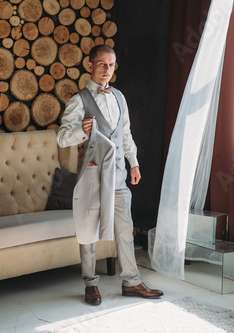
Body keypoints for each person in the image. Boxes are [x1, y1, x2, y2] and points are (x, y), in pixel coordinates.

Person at [57, 45, 164, 306]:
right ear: (90, 66)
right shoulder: (78, 100)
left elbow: (125, 134)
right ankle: (91, 284)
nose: (107, 69)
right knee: (88, 230)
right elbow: (61, 139)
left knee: (126, 229)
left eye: (111, 64)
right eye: (102, 64)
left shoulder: (120, 97)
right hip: (92, 177)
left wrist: (134, 163)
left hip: (118, 177)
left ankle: (132, 281)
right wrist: (82, 132)